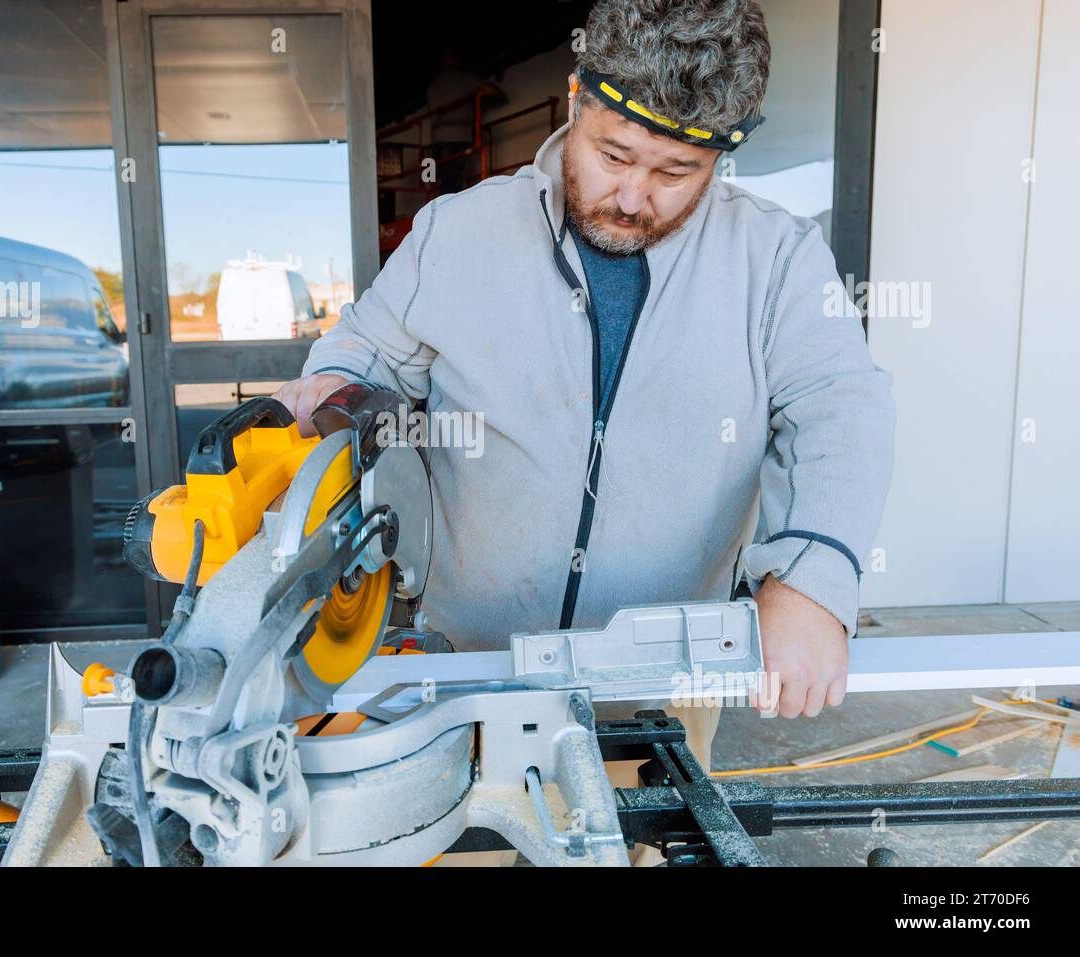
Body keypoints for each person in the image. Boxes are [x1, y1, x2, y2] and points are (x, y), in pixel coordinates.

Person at [275, 0, 895, 865]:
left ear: (721, 156)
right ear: (577, 98)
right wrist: (336, 391)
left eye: (676, 171)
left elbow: (840, 405)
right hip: (467, 676)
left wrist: (812, 580)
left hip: (661, 692)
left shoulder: (779, 261)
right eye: (613, 155)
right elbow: (364, 353)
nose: (634, 197)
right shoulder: (458, 233)